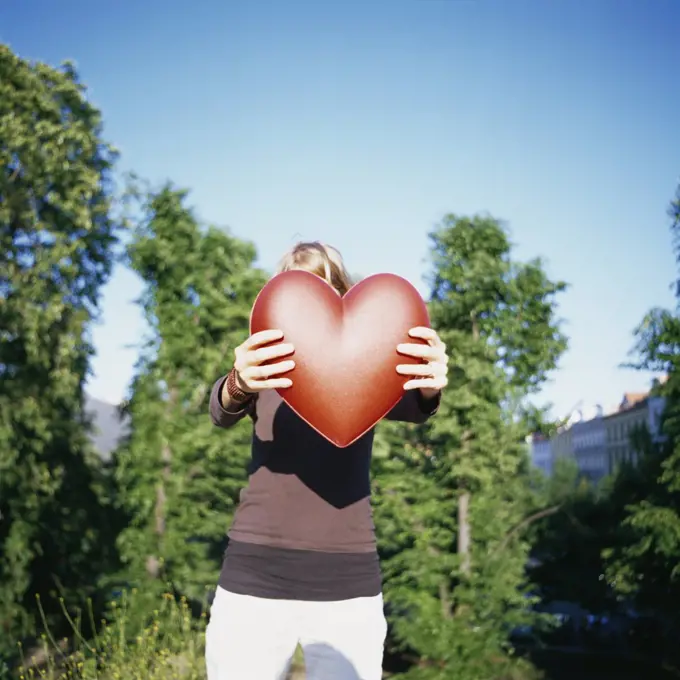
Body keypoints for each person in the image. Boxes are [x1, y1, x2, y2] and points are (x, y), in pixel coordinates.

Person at [205, 241, 449, 680]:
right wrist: (238, 382)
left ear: (342, 294)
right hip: (255, 578)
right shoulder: (265, 362)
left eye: (324, 282)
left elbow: (417, 404)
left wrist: (431, 385)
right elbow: (221, 407)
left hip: (346, 587)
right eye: (298, 287)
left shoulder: (366, 362)